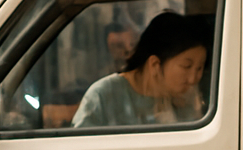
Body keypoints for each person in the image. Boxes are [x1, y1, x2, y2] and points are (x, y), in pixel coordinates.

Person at [73, 11, 208, 128]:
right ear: (155, 64)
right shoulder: (104, 94)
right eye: (186, 66)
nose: (193, 79)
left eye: (199, 67)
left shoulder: (187, 99)